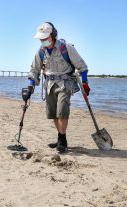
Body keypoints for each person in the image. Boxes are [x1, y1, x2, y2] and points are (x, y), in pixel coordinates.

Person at [28, 22, 91, 152]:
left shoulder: (66, 48)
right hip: (49, 84)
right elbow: (34, 70)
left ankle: (62, 139)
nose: (42, 40)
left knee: (62, 111)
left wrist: (85, 82)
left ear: (53, 35)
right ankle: (60, 138)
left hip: (65, 83)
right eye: (41, 38)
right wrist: (30, 86)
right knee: (54, 114)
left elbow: (82, 66)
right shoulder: (40, 52)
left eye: (45, 37)